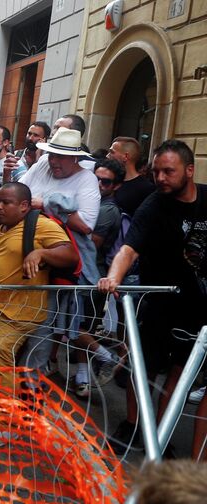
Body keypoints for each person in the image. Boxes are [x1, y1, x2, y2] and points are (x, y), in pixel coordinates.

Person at [99, 139, 206, 460]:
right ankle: (133, 425)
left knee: (179, 374)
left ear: (189, 170)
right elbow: (128, 249)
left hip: (197, 307)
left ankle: (160, 434)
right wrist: (113, 278)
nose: (160, 178)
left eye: (168, 171)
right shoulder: (154, 204)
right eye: (157, 171)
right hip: (158, 301)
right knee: (143, 368)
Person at [0, 182, 76, 395]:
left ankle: (5, 419)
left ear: (24, 206)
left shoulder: (41, 225)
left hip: (18, 311)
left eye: (6, 202)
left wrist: (41, 254)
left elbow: (70, 255)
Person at [16, 126, 101, 375]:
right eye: (51, 154)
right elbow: (20, 192)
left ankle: (31, 379)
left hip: (58, 260)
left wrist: (49, 204)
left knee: (43, 321)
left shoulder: (87, 179)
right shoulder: (42, 163)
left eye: (60, 156)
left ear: (75, 158)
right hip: (23, 251)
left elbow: (86, 226)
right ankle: (11, 374)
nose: (53, 160)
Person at [70, 158, 126, 398]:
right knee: (78, 326)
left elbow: (89, 245)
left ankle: (106, 357)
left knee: (73, 326)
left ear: (116, 186)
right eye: (97, 179)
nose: (100, 184)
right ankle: (83, 378)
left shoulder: (107, 210)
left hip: (93, 276)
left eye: (107, 181)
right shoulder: (92, 200)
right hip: (82, 274)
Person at [106, 136, 155, 216]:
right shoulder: (109, 181)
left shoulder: (146, 189)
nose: (107, 156)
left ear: (126, 156)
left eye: (112, 152)